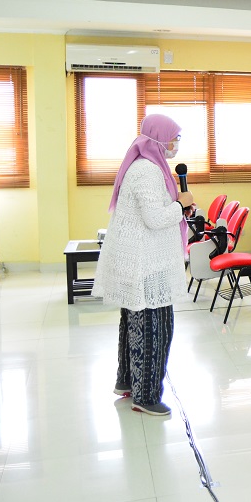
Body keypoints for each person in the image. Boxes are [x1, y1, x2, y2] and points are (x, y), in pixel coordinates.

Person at [93, 114, 194, 417]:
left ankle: (128, 381)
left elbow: (155, 212)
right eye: (174, 138)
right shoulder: (148, 170)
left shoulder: (144, 166)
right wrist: (180, 205)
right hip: (147, 264)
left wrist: (179, 207)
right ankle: (146, 396)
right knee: (155, 329)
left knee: (134, 321)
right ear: (159, 139)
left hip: (141, 261)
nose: (176, 144)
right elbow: (155, 218)